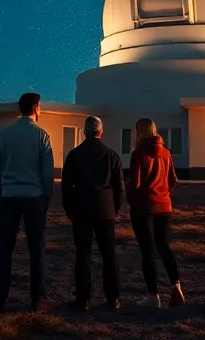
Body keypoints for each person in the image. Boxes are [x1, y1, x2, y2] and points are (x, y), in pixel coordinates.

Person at [0, 92, 54, 312]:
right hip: (34, 196)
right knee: (36, 248)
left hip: (9, 196)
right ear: (36, 107)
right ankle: (38, 299)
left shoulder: (4, 135)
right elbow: (47, 172)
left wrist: (1, 189)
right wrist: (46, 195)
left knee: (5, 248)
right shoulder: (41, 136)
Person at [60, 116, 123, 312]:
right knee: (109, 255)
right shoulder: (111, 155)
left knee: (83, 255)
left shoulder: (74, 155)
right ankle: (113, 298)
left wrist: (69, 210)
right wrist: (115, 208)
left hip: (81, 210)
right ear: (100, 132)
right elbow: (119, 186)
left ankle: (83, 298)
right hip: (105, 211)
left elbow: (66, 186)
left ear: (84, 132)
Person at [126, 117, 186, 308]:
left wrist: (131, 200)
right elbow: (173, 179)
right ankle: (176, 285)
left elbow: (134, 184)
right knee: (164, 247)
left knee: (148, 251)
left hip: (144, 208)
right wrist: (164, 194)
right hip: (164, 207)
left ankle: (153, 295)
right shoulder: (166, 153)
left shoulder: (138, 154)